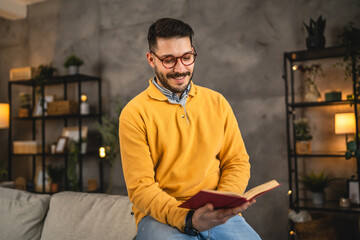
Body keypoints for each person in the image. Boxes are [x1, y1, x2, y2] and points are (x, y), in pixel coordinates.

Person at [119, 18, 261, 240]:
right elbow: (141, 188)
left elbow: (237, 161)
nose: (180, 69)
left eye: (187, 57)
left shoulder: (218, 102)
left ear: (193, 53)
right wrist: (188, 218)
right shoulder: (134, 113)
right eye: (168, 60)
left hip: (215, 212)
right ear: (151, 59)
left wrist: (221, 204)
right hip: (161, 217)